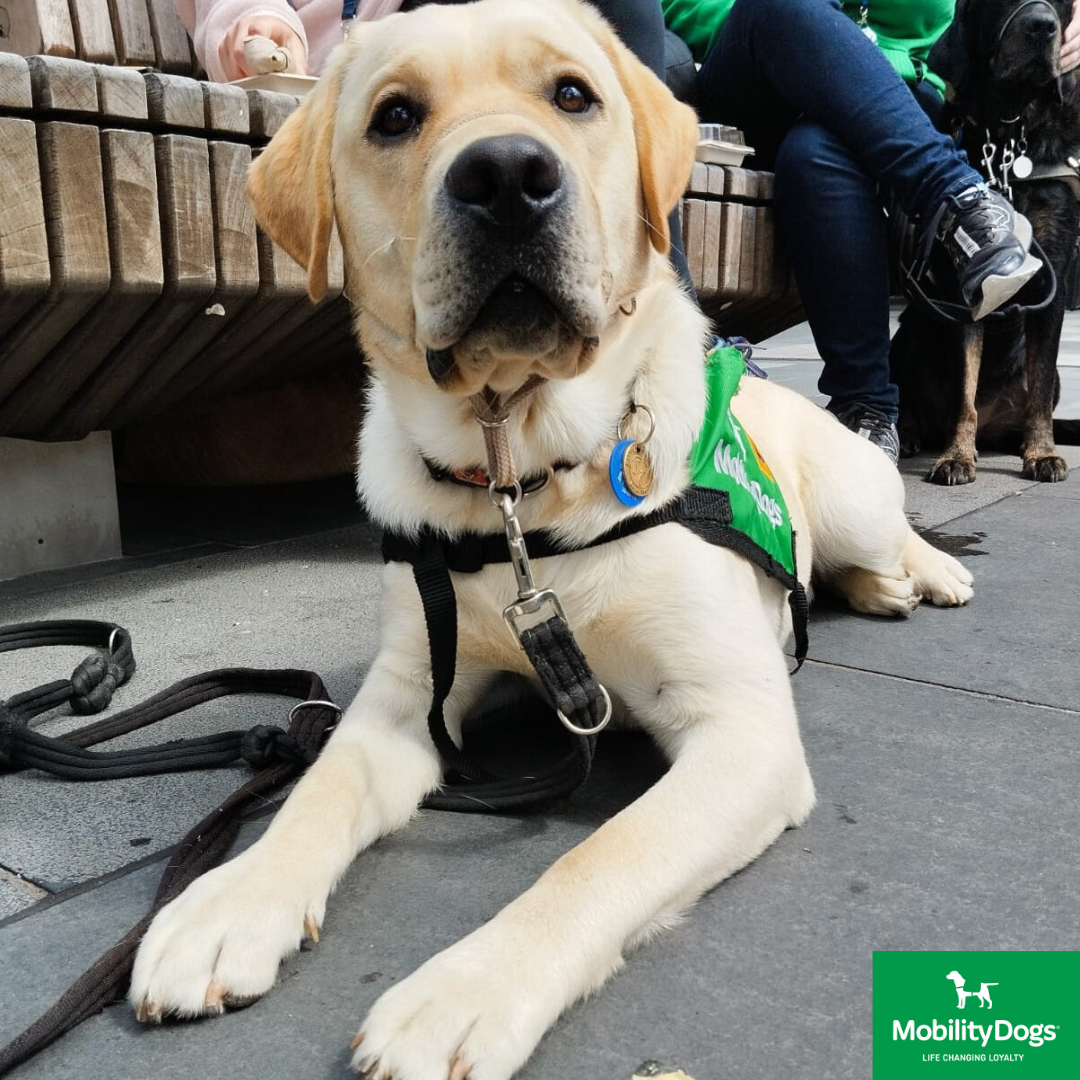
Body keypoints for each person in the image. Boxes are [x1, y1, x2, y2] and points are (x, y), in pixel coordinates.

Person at [665, 0, 1080, 462]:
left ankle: (866, 408)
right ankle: (957, 196)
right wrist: (830, 36)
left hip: (895, 89)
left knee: (817, 148)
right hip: (760, 65)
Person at [174, 0, 694, 287]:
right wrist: (259, 22)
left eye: (571, 98)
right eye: (398, 118)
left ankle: (668, 338)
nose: (510, 172)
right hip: (335, 52)